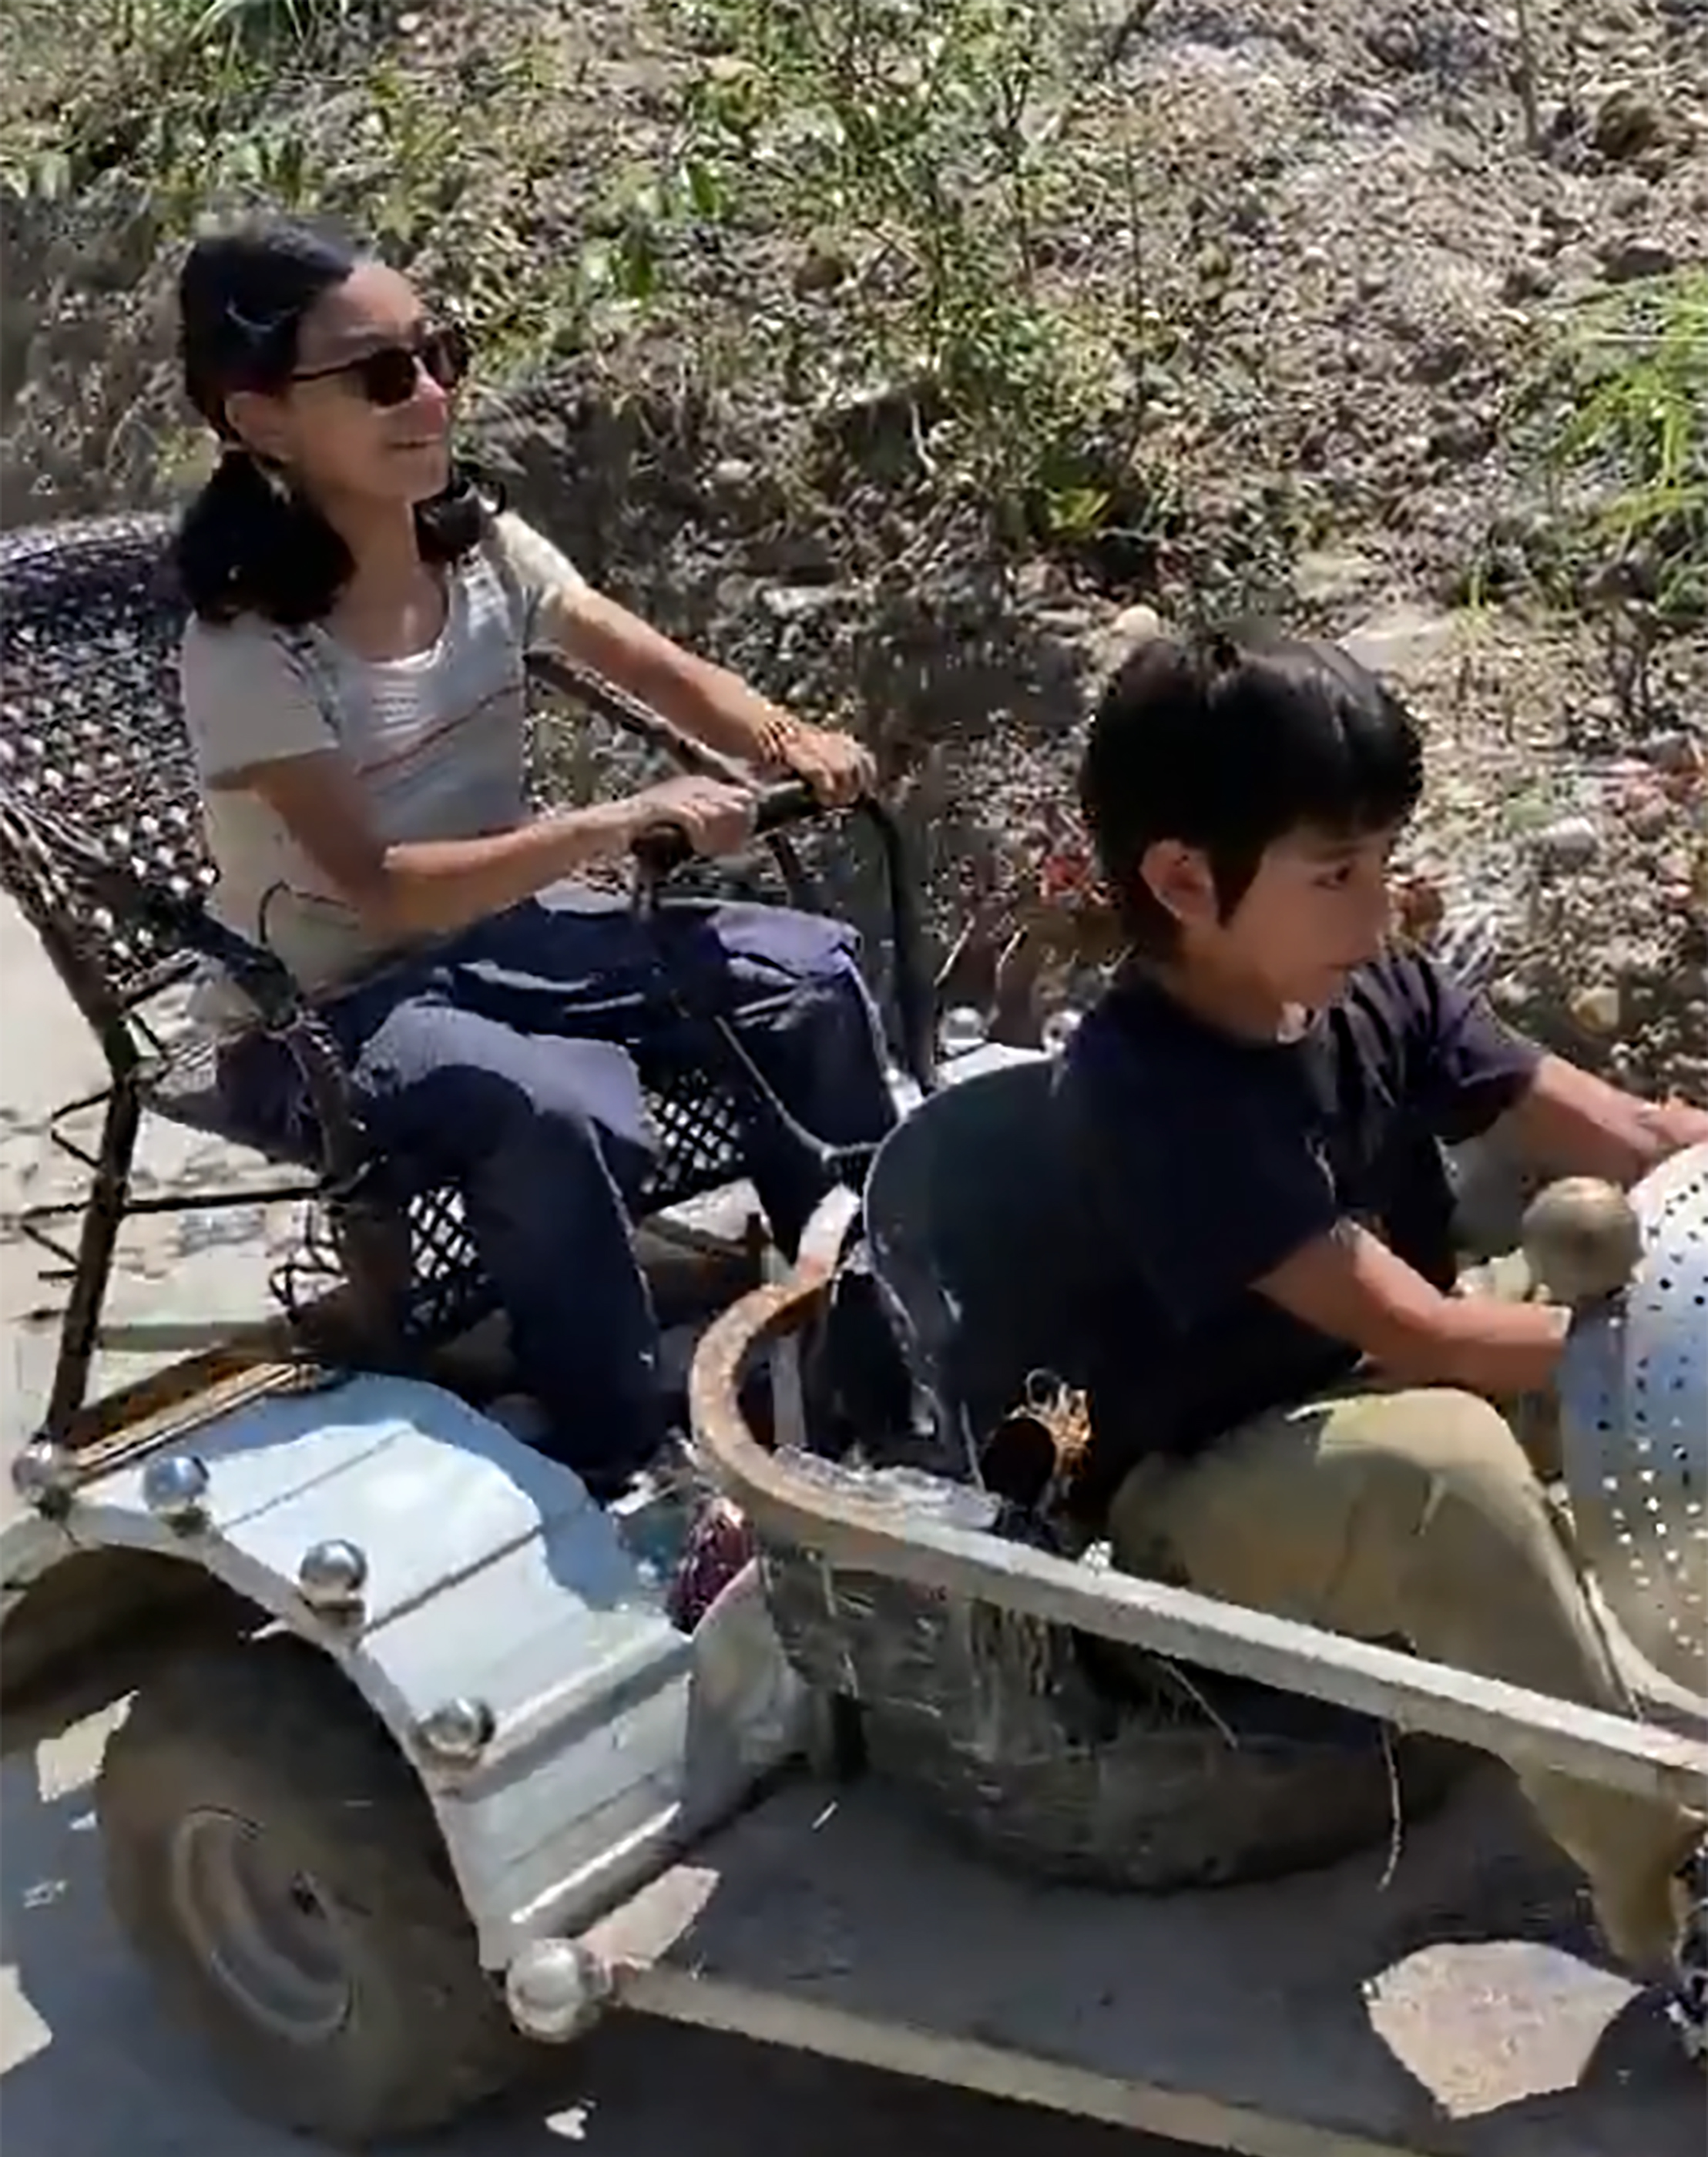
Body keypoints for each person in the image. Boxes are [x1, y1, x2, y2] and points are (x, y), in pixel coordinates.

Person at [1054, 626, 1708, 2055]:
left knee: (1636, 1296)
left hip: (1383, 1394)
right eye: (1335, 871)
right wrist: (1659, 1337)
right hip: (1210, 1489)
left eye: (1383, 855)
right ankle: (1675, 1891)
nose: (1381, 896)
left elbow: (1637, 1140)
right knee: (1459, 1463)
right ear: (1180, 882)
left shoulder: (1375, 984)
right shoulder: (1143, 1086)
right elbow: (1407, 1329)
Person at [171, 214, 898, 1492]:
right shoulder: (250, 648)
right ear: (263, 419)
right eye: (384, 375)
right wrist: (608, 826)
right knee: (548, 1112)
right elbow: (377, 888)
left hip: (505, 935)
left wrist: (787, 740)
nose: (434, 394)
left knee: (812, 978)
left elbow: (657, 667)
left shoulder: (483, 551)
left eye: (439, 353)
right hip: (327, 1009)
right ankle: (620, 1429)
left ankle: (859, 1323)